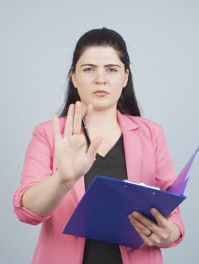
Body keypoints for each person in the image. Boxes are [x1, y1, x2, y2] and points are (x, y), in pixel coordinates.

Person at [13, 27, 184, 264]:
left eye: (111, 70)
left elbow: (172, 207)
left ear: (125, 77)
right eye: (88, 69)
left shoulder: (151, 134)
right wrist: (62, 179)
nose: (100, 79)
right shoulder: (48, 133)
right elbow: (27, 211)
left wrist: (169, 233)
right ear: (74, 77)